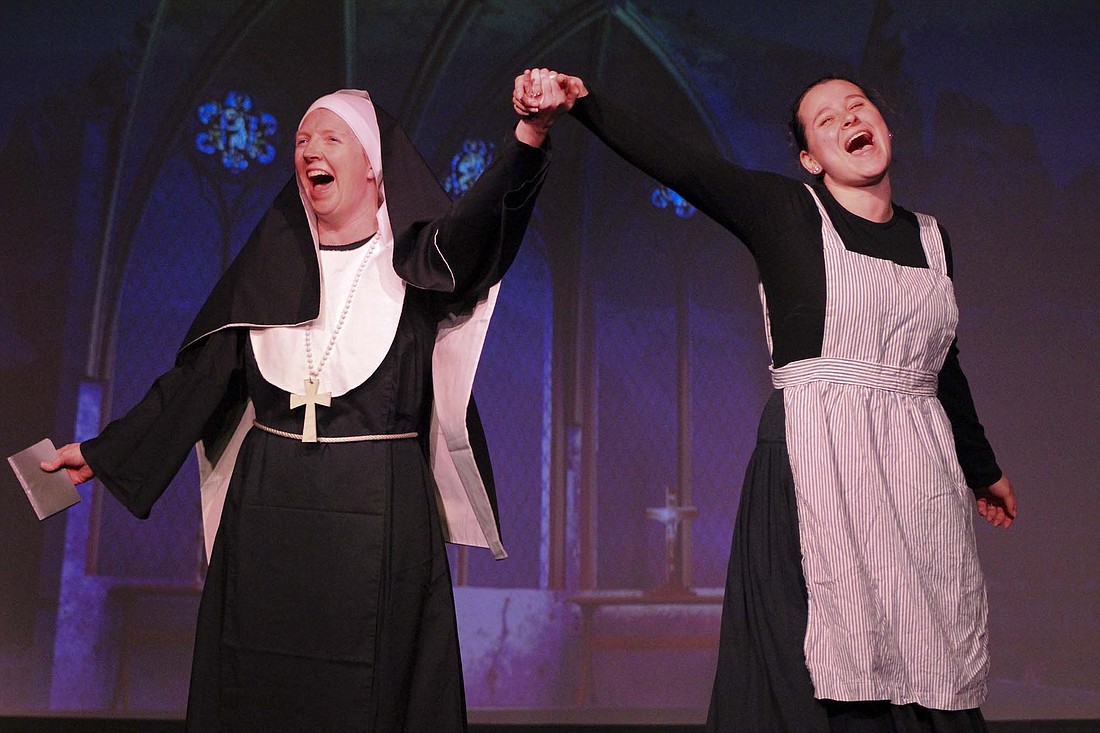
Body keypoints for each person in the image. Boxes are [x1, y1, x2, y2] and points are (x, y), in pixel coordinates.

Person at [43, 72, 572, 732]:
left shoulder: (419, 264)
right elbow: (195, 381)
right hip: (268, 512)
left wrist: (530, 134)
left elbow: (486, 226)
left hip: (378, 513)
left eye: (331, 137)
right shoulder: (268, 266)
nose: (309, 149)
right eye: (301, 139)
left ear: (377, 170)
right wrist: (102, 451)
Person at [515, 71, 1017, 732]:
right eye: (826, 119)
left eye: (858, 107)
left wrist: (981, 467)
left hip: (916, 468)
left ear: (886, 127)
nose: (848, 120)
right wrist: (582, 103)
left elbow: (940, 363)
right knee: (819, 656)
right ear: (810, 158)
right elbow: (683, 165)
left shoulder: (932, 237)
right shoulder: (787, 211)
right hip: (816, 458)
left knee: (927, 638)